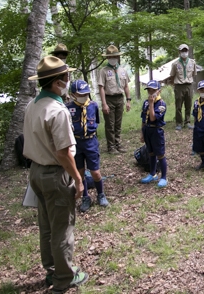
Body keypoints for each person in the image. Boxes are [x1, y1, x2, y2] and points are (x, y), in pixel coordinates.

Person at [23, 56, 88, 293]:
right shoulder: (57, 111)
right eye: (66, 77)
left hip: (36, 172)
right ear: (57, 82)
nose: (68, 81)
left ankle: (52, 269)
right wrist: (78, 179)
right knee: (62, 228)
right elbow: (63, 153)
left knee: (47, 224)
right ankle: (63, 278)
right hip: (54, 174)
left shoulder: (33, 105)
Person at [66, 80, 109, 212]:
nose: (84, 96)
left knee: (95, 172)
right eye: (80, 94)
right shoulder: (68, 108)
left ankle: (100, 194)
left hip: (90, 142)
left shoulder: (93, 106)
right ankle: (85, 197)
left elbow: (96, 121)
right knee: (80, 172)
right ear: (73, 94)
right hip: (76, 143)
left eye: (86, 94)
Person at [97, 45, 131, 154]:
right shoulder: (103, 71)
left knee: (118, 123)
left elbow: (126, 86)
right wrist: (104, 104)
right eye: (110, 57)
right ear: (107, 58)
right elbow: (101, 87)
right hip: (109, 99)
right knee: (109, 124)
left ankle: (118, 143)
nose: (113, 58)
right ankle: (111, 146)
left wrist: (128, 100)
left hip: (120, 98)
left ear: (117, 57)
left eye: (114, 56)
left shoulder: (122, 70)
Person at [139, 80, 168, 188]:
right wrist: (142, 133)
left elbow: (152, 117)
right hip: (148, 130)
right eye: (149, 91)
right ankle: (152, 173)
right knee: (150, 153)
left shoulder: (161, 104)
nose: (151, 93)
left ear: (159, 91)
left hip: (157, 131)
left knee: (160, 154)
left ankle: (164, 177)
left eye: (153, 91)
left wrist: (151, 104)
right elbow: (144, 119)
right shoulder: (146, 102)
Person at [169, 44, 197, 130]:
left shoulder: (192, 62)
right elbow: (172, 75)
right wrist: (174, 85)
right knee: (178, 105)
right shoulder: (175, 64)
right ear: (179, 52)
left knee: (188, 104)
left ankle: (187, 122)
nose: (184, 53)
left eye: (185, 51)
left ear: (188, 51)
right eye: (182, 51)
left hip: (189, 85)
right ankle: (178, 123)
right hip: (179, 86)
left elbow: (194, 74)